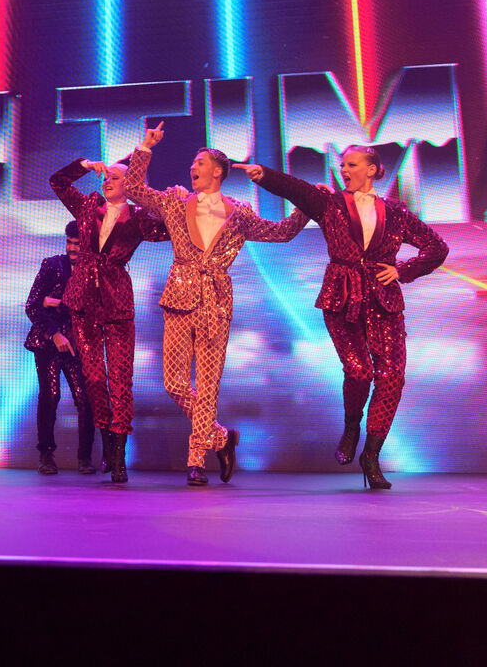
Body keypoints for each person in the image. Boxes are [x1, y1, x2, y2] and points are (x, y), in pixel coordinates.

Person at [235, 148, 448, 489]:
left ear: (372, 170)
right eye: (342, 165)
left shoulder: (396, 212)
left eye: (352, 164)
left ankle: (371, 455)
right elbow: (298, 190)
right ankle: (351, 427)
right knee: (359, 371)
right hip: (341, 296)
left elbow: (437, 248)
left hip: (383, 300)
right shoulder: (330, 204)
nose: (344, 169)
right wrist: (264, 175)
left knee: (392, 376)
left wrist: (402, 270)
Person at [124, 124, 309, 486]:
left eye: (199, 163)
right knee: (174, 383)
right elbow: (133, 189)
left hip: (216, 303)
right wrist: (145, 147)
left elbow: (281, 233)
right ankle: (221, 437)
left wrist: (306, 204)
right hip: (179, 298)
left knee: (208, 385)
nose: (192, 168)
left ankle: (196, 461)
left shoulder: (239, 213)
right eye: (192, 163)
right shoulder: (175, 201)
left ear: (218, 171)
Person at [50, 155, 169, 484]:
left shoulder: (139, 217)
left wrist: (159, 200)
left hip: (117, 302)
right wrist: (85, 166)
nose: (108, 180)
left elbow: (172, 228)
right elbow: (58, 182)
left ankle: (119, 456)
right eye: (107, 176)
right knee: (93, 379)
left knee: (120, 381)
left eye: (116, 177)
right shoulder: (89, 205)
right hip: (83, 302)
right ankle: (106, 441)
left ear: (131, 185)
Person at [23, 220, 96, 475]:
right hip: (49, 342)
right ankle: (45, 455)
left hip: (78, 344)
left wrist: (56, 303)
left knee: (85, 399)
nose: (72, 248)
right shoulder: (52, 265)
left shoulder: (93, 271)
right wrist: (54, 333)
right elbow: (32, 305)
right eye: (69, 242)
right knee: (50, 395)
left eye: (77, 244)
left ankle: (85, 457)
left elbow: (92, 308)